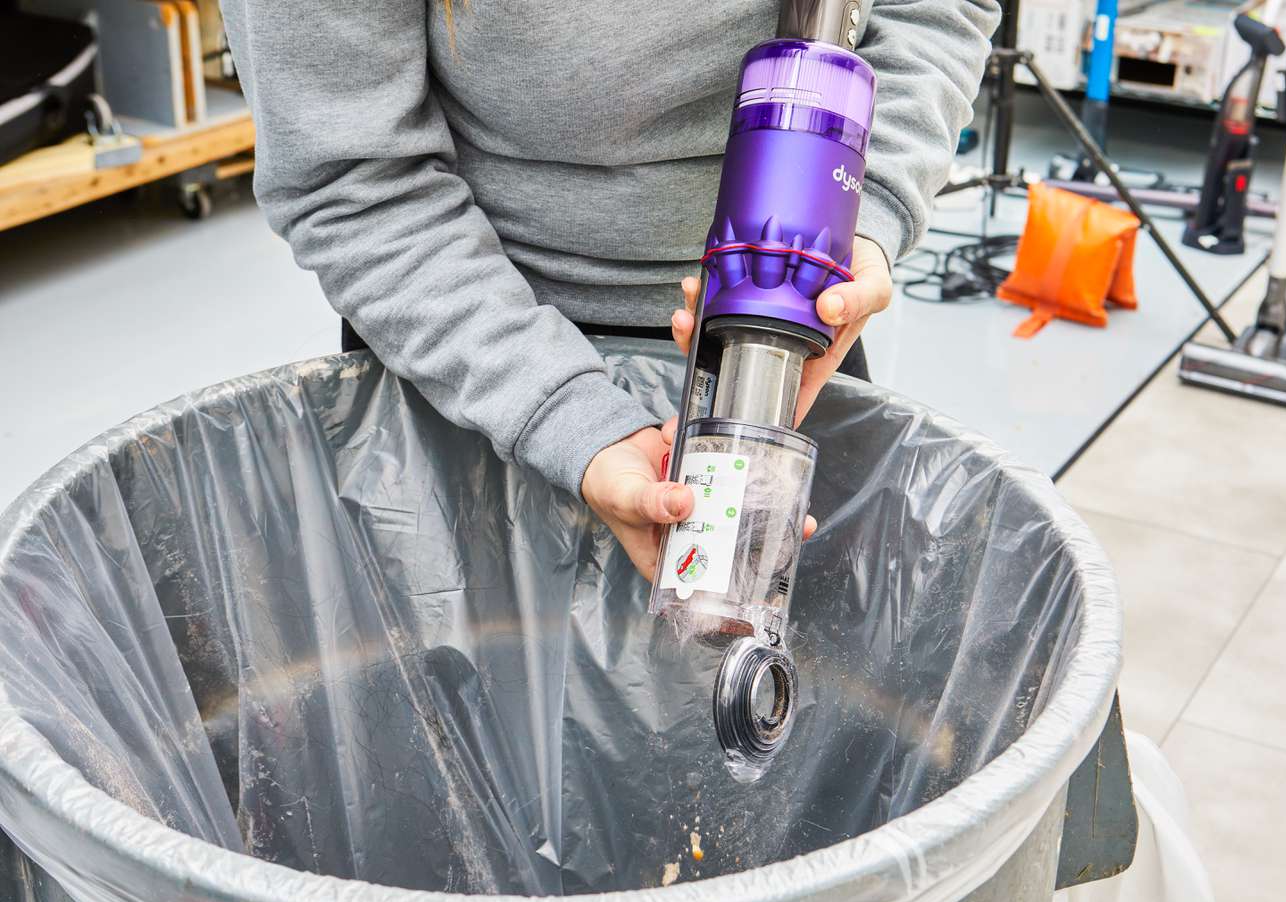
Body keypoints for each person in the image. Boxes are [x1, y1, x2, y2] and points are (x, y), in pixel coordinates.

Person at [220, 0, 1000, 576]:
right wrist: (565, 414)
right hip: (463, 352)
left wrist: (863, 215)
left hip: (786, 334)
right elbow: (354, 176)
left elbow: (928, 10)